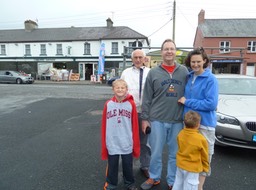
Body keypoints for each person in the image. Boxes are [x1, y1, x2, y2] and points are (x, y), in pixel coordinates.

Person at [140, 39, 189, 190]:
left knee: (175, 154)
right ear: (161, 52)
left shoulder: (184, 71)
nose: (169, 51)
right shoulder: (153, 72)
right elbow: (147, 97)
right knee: (155, 152)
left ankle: (172, 180)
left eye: (172, 49)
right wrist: (145, 119)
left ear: (176, 52)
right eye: (166, 49)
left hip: (178, 120)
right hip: (157, 119)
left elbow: (193, 90)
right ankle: (153, 177)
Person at [178, 47, 218, 190]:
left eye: (198, 62)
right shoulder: (189, 77)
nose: (195, 64)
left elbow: (211, 104)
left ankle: (199, 187)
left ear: (205, 61)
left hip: (205, 125)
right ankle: (190, 185)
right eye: (193, 62)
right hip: (189, 125)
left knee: (204, 157)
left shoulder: (211, 79)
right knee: (190, 156)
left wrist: (187, 102)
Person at [101, 79, 140, 190]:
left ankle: (130, 183)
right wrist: (105, 140)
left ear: (126, 89)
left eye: (122, 88)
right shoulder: (108, 104)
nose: (120, 90)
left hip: (126, 139)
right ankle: (111, 184)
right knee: (112, 165)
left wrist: (134, 140)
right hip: (112, 140)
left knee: (127, 165)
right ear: (113, 89)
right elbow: (104, 124)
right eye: (117, 87)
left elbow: (135, 124)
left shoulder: (131, 104)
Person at [120, 49, 151, 178]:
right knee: (128, 140)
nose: (138, 60)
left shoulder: (151, 73)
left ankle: (145, 166)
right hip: (129, 113)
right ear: (132, 59)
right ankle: (128, 167)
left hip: (145, 113)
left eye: (140, 57)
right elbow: (120, 90)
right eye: (135, 57)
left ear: (144, 59)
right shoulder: (125, 73)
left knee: (145, 142)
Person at [172, 111, 209, 190]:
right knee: (190, 187)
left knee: (178, 184)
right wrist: (206, 167)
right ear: (198, 124)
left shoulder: (180, 134)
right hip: (193, 168)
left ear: (184, 123)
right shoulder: (201, 139)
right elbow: (205, 155)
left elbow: (180, 147)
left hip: (180, 165)